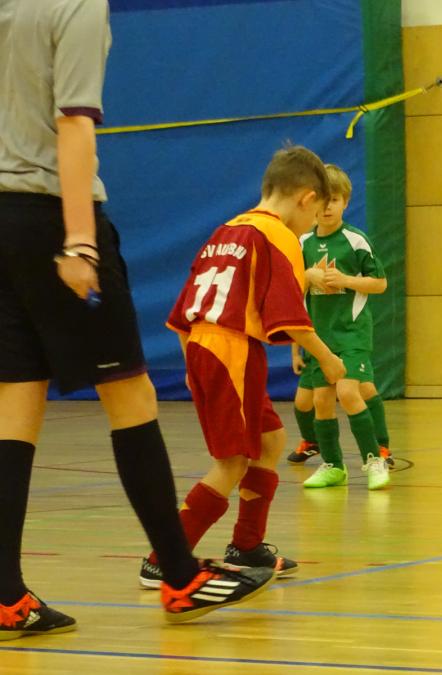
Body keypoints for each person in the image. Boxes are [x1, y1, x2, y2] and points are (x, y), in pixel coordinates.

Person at [0, 0, 274, 639]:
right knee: (129, 393)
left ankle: (5, 595)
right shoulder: (75, 6)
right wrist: (79, 241)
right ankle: (179, 575)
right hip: (51, 218)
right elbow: (73, 123)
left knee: (15, 404)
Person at [139, 146, 346, 588]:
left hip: (206, 345)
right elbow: (291, 319)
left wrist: (194, 367)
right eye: (314, 217)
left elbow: (182, 314)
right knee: (232, 461)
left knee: (270, 440)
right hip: (231, 350)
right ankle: (165, 560)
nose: (310, 226)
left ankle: (247, 545)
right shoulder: (278, 236)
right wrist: (329, 359)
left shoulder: (225, 230)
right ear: (307, 198)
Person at [292, 164, 391, 490]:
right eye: (322, 200)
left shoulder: (355, 240)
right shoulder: (303, 242)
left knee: (348, 391)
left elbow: (380, 283)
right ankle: (333, 466)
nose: (327, 207)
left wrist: (346, 280)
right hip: (320, 336)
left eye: (334, 200)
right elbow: (292, 291)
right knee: (321, 400)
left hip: (351, 332)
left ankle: (374, 459)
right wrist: (307, 277)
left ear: (345, 202)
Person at [287, 350, 393, 467]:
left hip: (348, 348)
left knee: (363, 390)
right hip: (317, 351)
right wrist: (295, 354)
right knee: (302, 403)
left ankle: (381, 447)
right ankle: (312, 442)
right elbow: (299, 336)